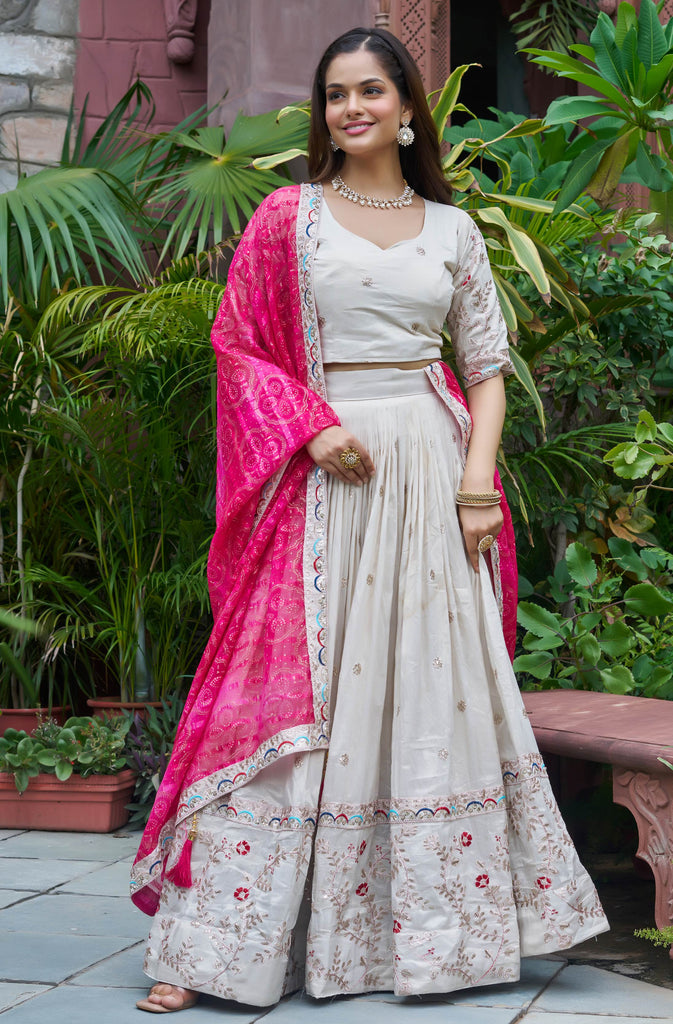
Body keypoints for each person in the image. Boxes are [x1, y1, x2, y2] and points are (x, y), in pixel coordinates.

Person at [133, 26, 608, 1014]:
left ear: (405, 107)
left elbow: (484, 368)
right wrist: (308, 434)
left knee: (431, 688)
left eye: (371, 92)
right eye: (337, 94)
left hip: (433, 475)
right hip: (327, 479)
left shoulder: (453, 230)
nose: (352, 108)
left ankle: (430, 937)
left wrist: (479, 483)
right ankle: (217, 945)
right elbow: (239, 347)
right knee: (291, 694)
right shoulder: (288, 216)